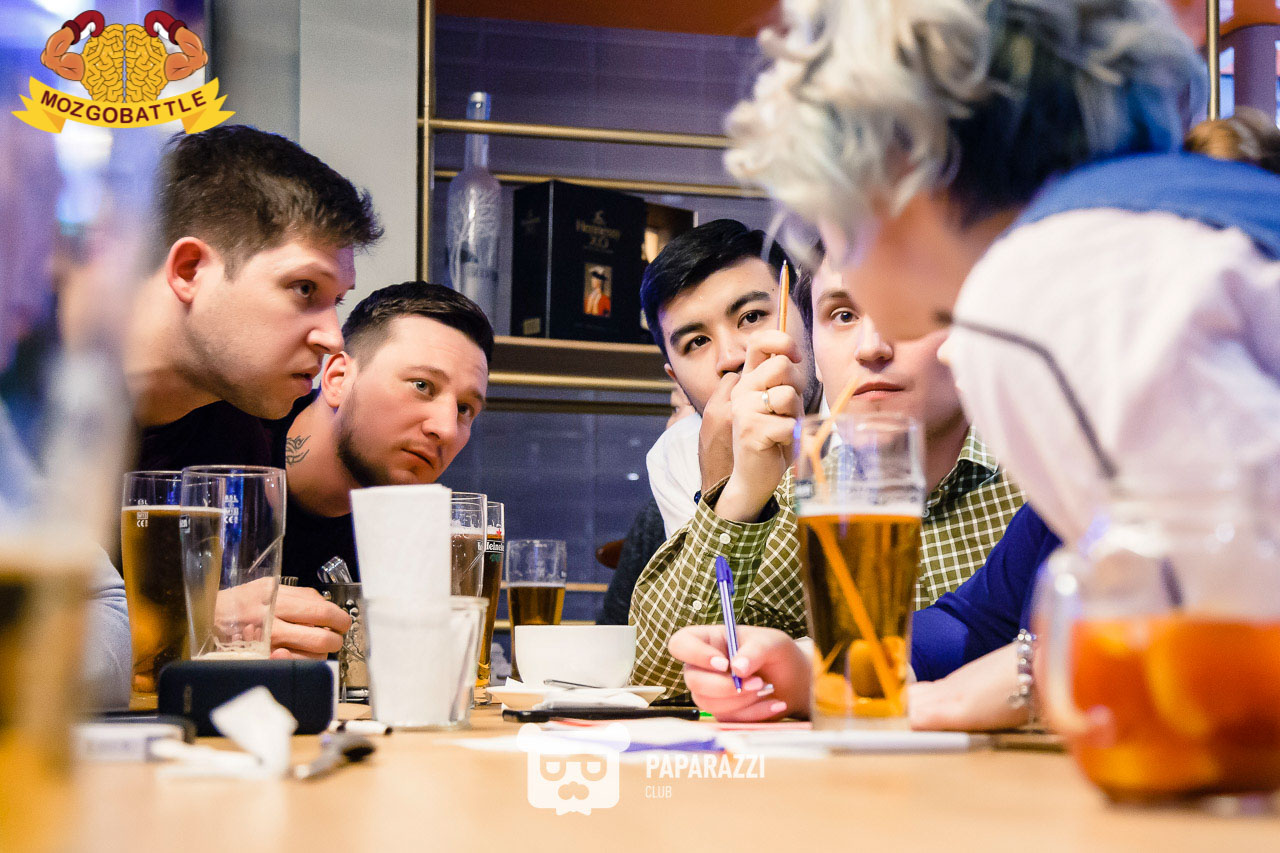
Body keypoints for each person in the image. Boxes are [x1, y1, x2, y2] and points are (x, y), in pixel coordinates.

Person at [709, 0, 1280, 727]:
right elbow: (981, 616)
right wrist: (815, 663)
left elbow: (1220, 630)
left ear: (896, 174)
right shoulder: (1179, 224)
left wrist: (1008, 683)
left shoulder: (1033, 303)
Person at [632, 256, 1023, 698]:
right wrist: (742, 492)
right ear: (813, 354)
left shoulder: (1050, 477)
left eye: (905, 308)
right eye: (843, 315)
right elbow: (663, 680)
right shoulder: (804, 497)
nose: (871, 347)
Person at [129, 124, 382, 658]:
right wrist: (192, 623)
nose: (333, 338)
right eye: (304, 288)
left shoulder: (240, 439)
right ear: (190, 270)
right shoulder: (33, 398)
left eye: (337, 301)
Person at [268, 282, 492, 588]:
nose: (447, 429)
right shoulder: (221, 447)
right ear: (338, 379)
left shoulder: (415, 538)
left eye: (464, 409)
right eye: (422, 385)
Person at [640, 219, 821, 537]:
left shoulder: (869, 418)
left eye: (752, 317)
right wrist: (718, 490)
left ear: (807, 314)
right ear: (675, 378)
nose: (731, 358)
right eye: (697, 342)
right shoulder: (676, 455)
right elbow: (714, 573)